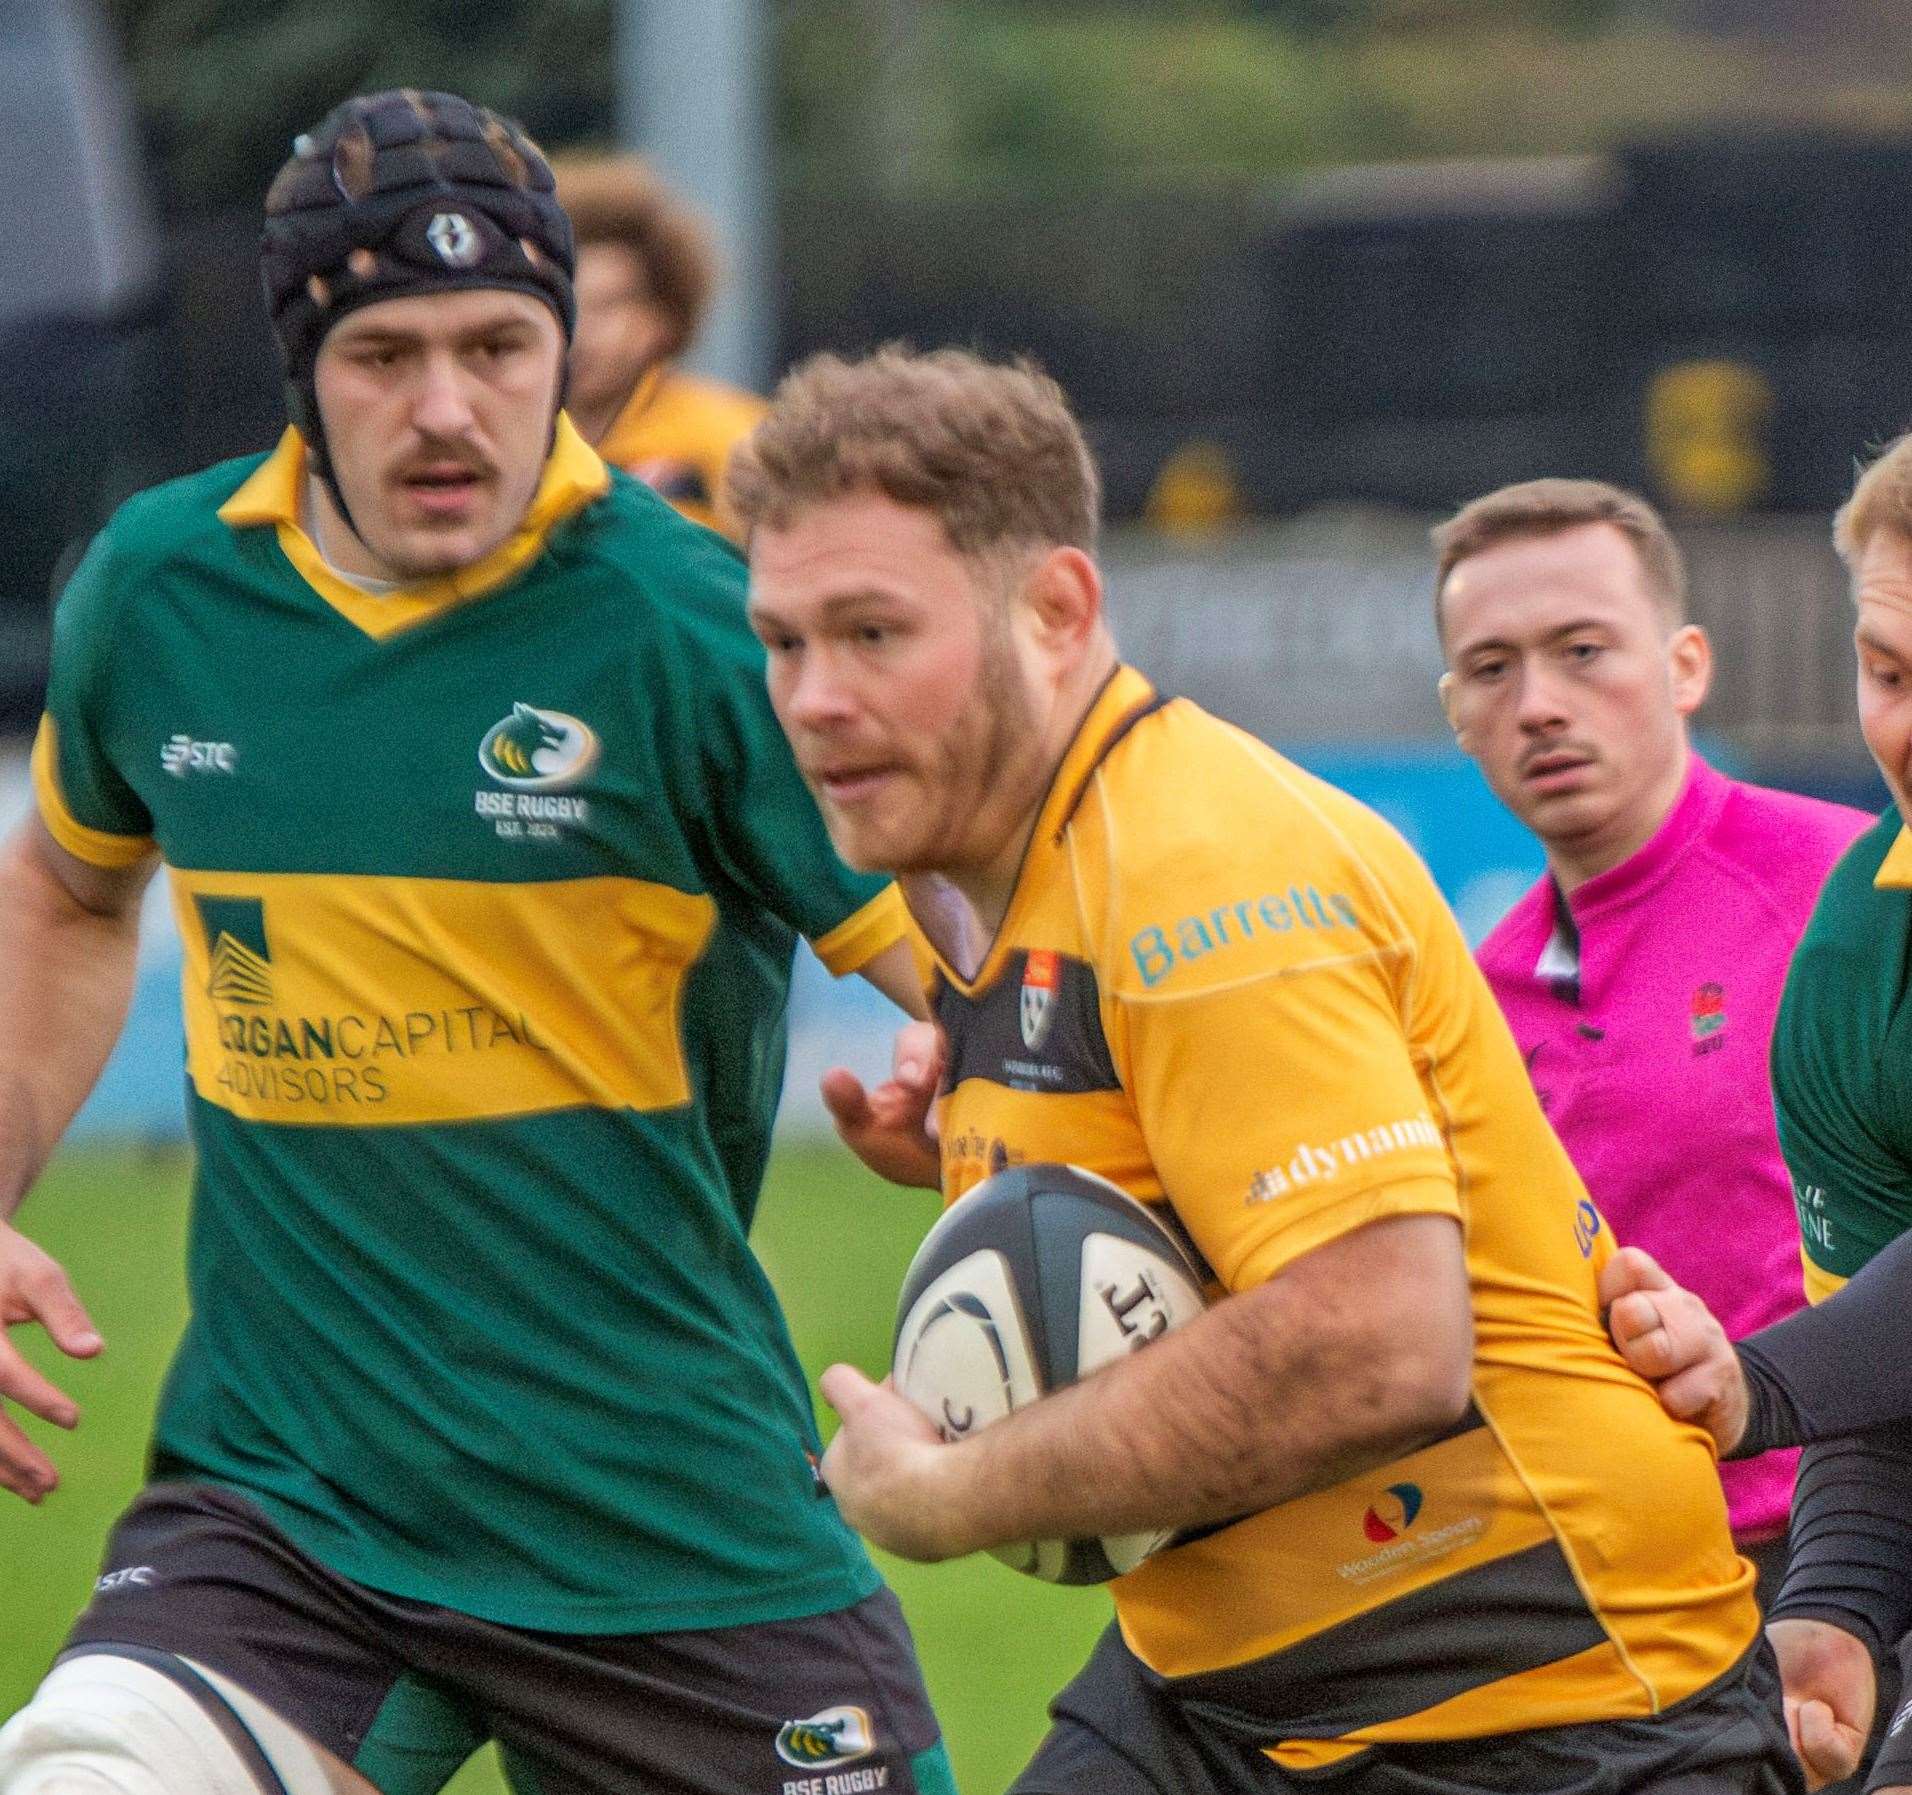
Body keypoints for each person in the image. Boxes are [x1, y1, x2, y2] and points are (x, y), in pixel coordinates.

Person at [0, 90, 955, 1795]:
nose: (446, 410)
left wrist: (986, 1097)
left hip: (667, 1524)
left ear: (561, 347)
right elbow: (70, 893)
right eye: (385, 355)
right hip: (290, 1519)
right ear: (302, 363)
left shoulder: (701, 623)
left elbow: (967, 971)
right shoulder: (158, 596)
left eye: (500, 347)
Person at [729, 343, 1797, 1795]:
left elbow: (1379, 1340)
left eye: (871, 633)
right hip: (1230, 1678)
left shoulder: (1198, 872)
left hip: (1533, 1695)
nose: (815, 698)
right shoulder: (963, 864)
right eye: (785, 641)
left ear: (1053, 610)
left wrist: (954, 1488)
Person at [1434, 477, 1870, 1590]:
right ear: (1454, 711)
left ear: (1685, 666)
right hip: (1612, 1585)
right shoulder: (1471, 1000)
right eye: (1493, 667)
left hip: (1851, 1558)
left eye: (1582, 651)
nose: (1537, 702)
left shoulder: (1845, 888)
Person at [1601, 430, 1912, 1795]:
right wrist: (1835, 1615)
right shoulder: (1858, 954)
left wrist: (1754, 1384)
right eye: (1892, 672)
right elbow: (1893, 1391)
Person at [551, 154, 765, 540]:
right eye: (565, 303)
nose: (580, 330)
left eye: (608, 305)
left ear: (662, 318)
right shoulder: (510, 438)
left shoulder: (733, 435)